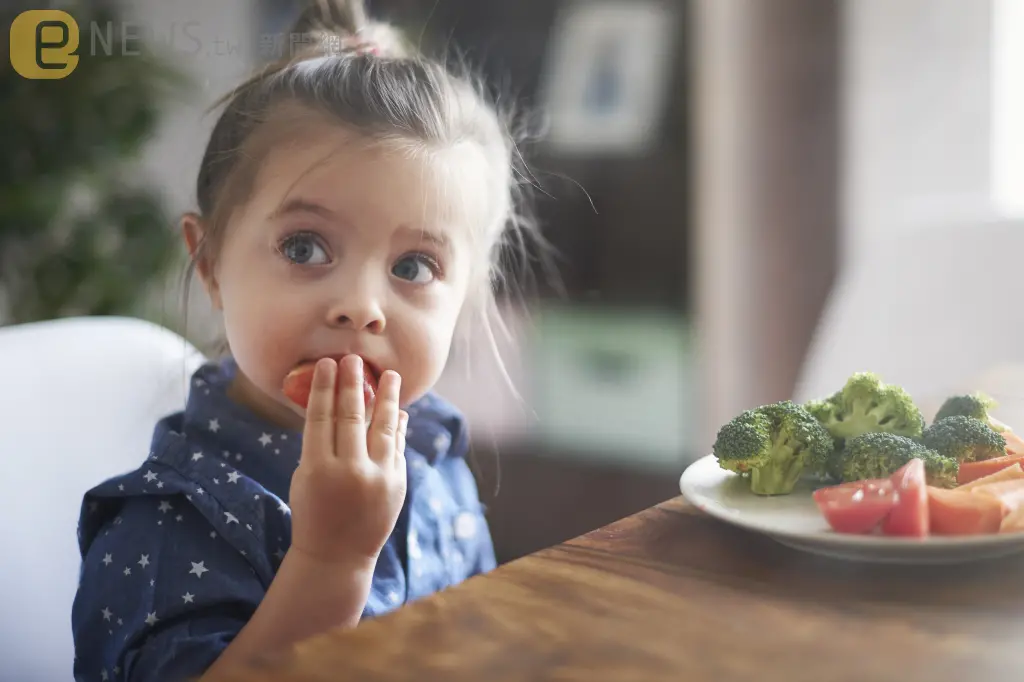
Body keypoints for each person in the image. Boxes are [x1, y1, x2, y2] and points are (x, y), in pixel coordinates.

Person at [71, 1, 546, 679]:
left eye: (413, 267)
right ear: (210, 265)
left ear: (465, 300)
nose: (360, 307)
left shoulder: (435, 454)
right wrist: (332, 561)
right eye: (304, 247)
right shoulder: (168, 524)